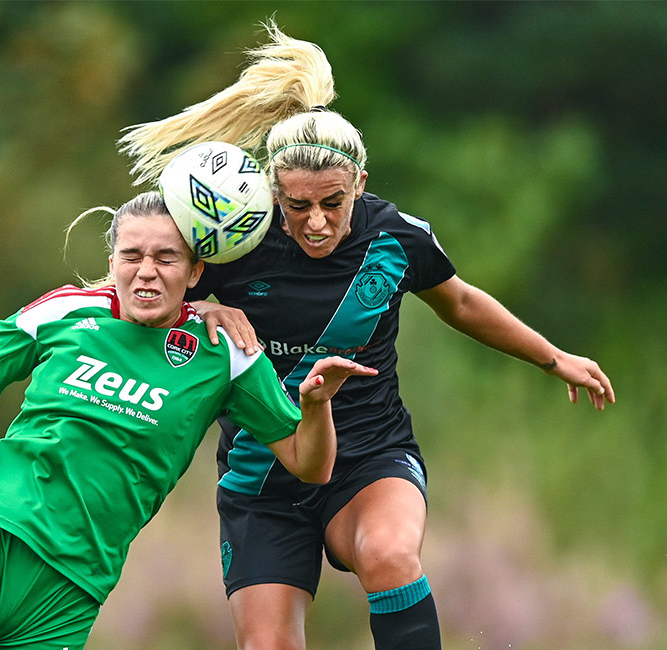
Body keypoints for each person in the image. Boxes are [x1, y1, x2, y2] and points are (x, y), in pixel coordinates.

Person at [119, 21, 616, 650]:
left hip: (370, 458)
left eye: (333, 201)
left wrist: (553, 358)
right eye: (297, 206)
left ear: (360, 183)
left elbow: (460, 302)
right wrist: (202, 312)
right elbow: (141, 304)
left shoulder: (396, 237)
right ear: (273, 194)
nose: (317, 221)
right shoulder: (236, 244)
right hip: (264, 472)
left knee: (388, 554)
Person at [0, 191, 377, 650]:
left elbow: (310, 464)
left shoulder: (226, 353)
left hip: (73, 585)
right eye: (132, 255)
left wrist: (316, 405)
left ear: (196, 271)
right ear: (113, 261)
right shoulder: (66, 312)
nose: (147, 271)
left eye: (166, 257)